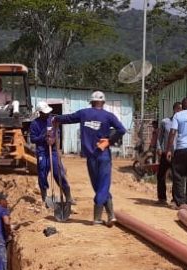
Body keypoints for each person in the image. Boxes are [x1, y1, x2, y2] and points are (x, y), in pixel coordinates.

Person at [53, 91, 127, 225]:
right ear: (103, 102)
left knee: (98, 186)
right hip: (103, 155)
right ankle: (100, 218)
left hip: (90, 156)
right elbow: (121, 130)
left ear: (91, 102)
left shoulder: (84, 113)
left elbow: (68, 118)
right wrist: (109, 141)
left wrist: (55, 118)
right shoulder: (108, 116)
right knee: (103, 185)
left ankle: (109, 216)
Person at [29, 101, 72, 209]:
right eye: (44, 113)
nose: (47, 114)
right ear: (39, 112)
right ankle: (45, 197)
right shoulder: (34, 124)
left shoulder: (52, 119)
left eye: (48, 112)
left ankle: (68, 197)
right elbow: (33, 139)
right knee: (42, 173)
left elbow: (58, 128)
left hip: (52, 150)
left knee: (59, 173)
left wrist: (54, 136)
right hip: (42, 151)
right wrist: (43, 136)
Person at [156, 101, 181, 206]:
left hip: (178, 154)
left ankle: (175, 200)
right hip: (166, 153)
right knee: (161, 175)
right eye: (178, 109)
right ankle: (162, 198)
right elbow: (160, 137)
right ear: (174, 110)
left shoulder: (184, 123)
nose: (180, 111)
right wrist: (159, 148)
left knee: (177, 177)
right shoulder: (165, 122)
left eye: (181, 110)